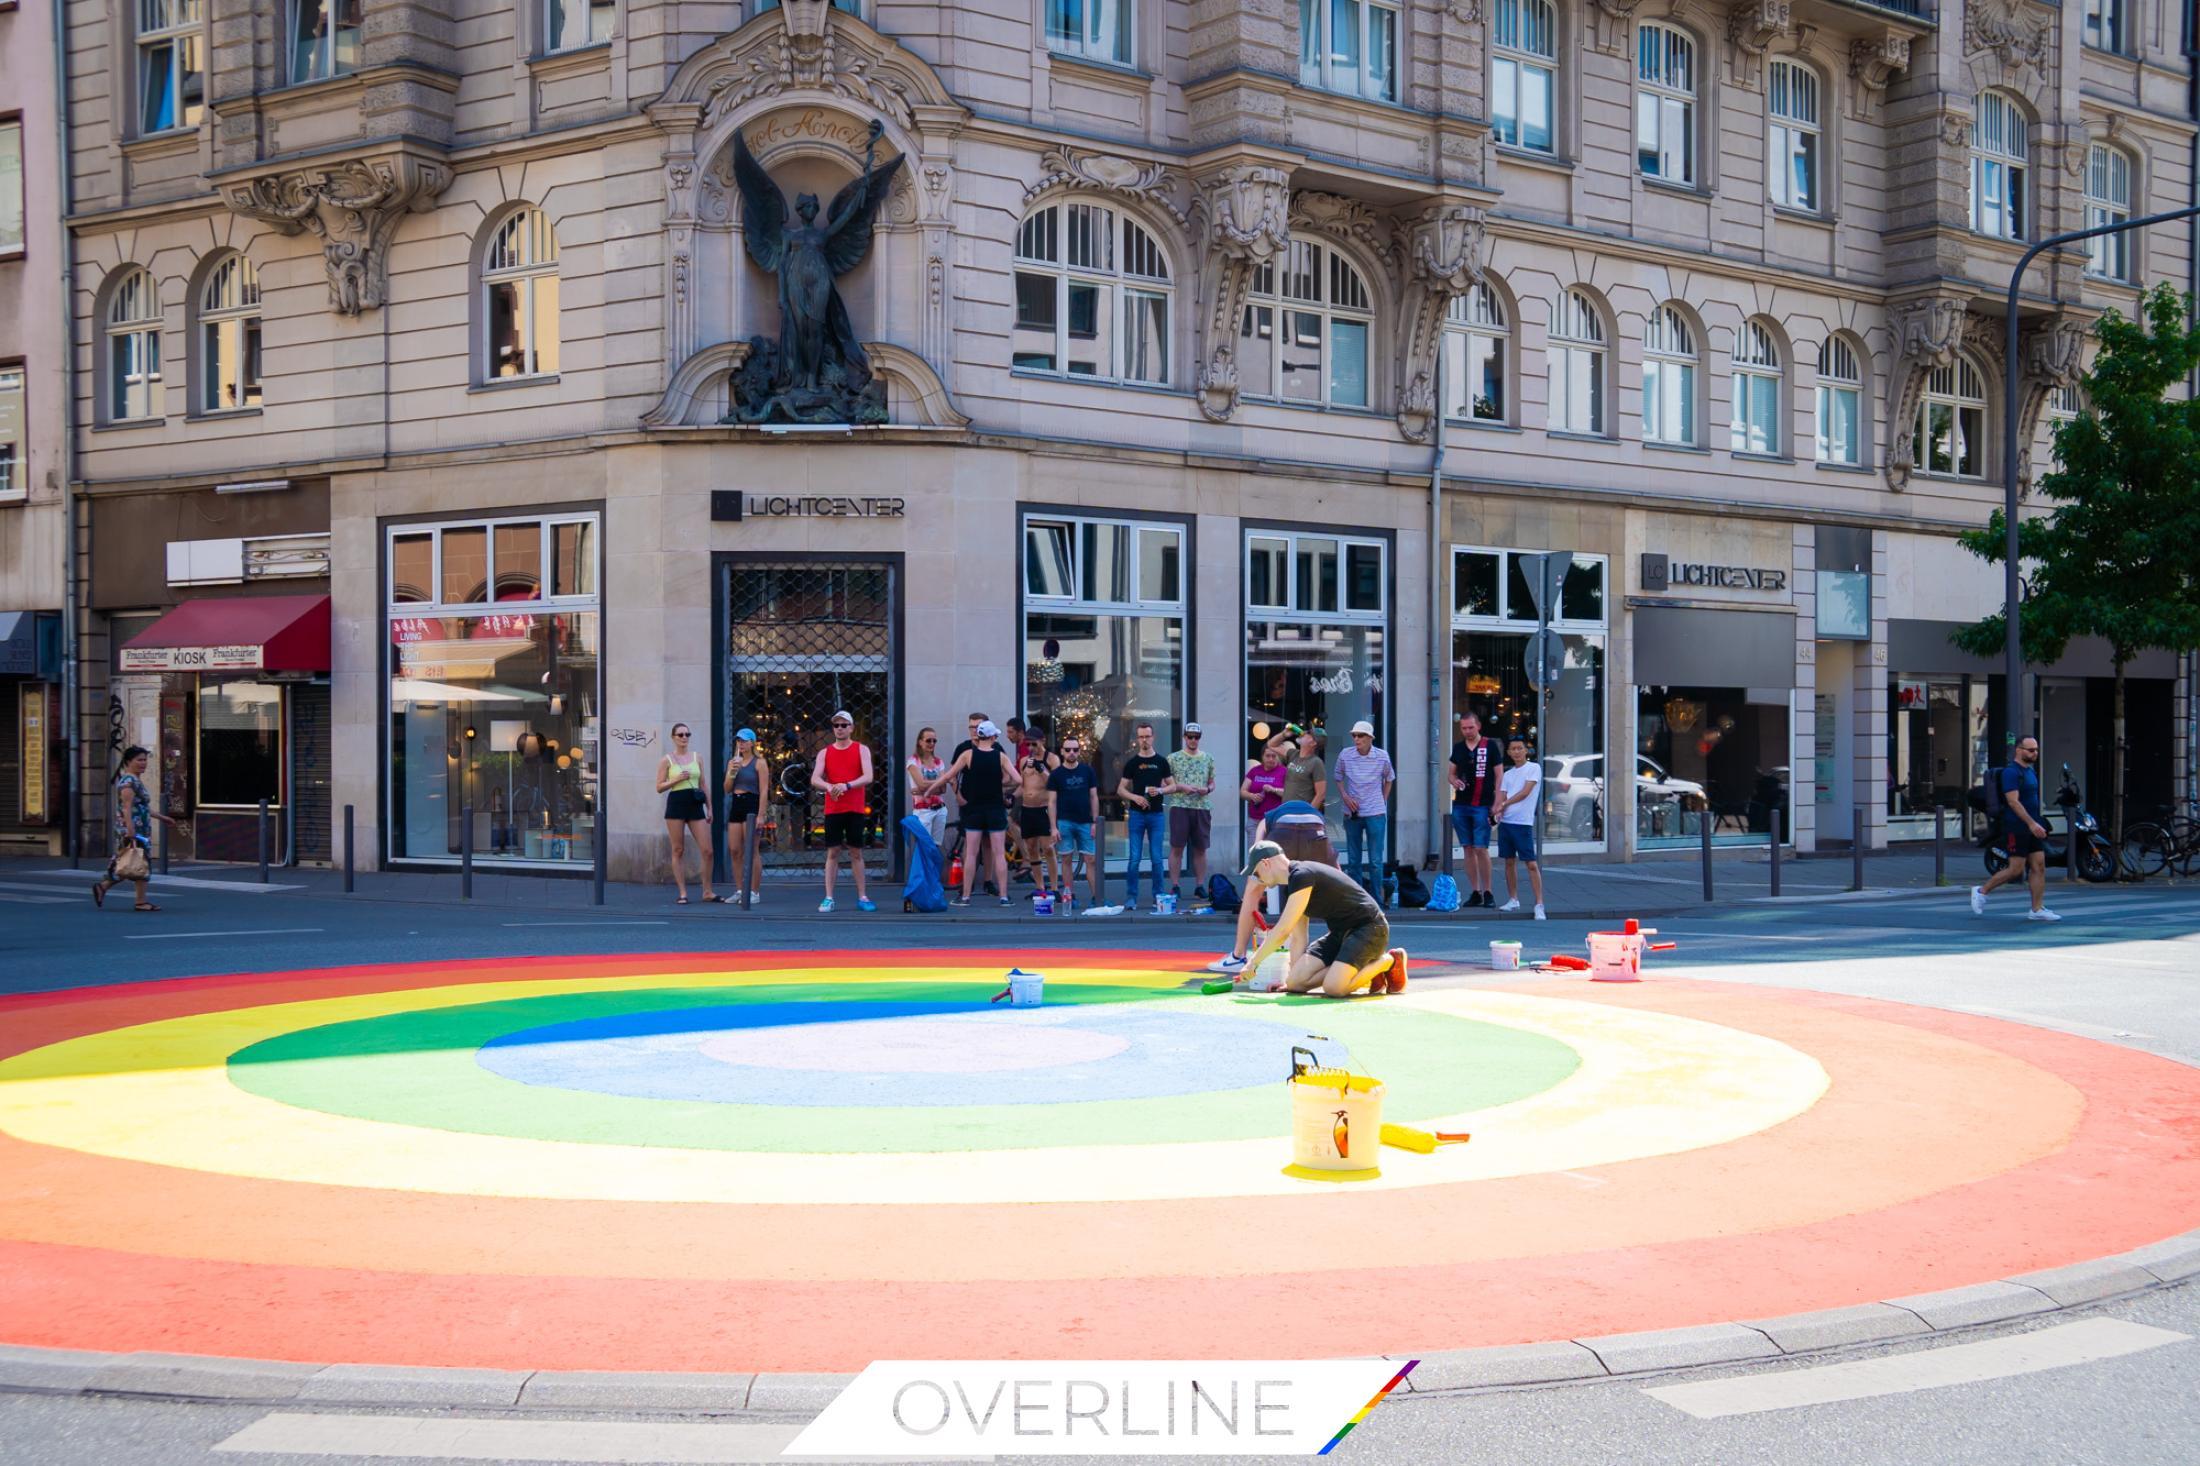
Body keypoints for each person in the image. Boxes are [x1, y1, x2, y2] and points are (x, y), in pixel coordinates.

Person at [1227, 840, 1406, 997]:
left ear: (1265, 864)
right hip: (1341, 934)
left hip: (1369, 929)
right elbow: (1298, 936)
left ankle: (1389, 961)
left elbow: (1283, 930)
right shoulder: (1293, 885)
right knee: (1296, 984)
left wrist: (1253, 963)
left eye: (1256, 873)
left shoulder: (1302, 875)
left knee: (1334, 988)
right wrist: (1292, 981)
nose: (1258, 880)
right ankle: (1357, 969)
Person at [928, 718, 1017, 906]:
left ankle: (966, 896)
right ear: (992, 736)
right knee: (999, 853)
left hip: (974, 809)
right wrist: (1000, 784)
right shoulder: (1000, 756)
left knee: (971, 854)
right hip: (995, 808)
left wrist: (930, 789)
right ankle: (1003, 896)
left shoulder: (968, 755)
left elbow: (948, 775)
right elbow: (1017, 779)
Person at [1972, 734, 2060, 921]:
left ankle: (2036, 910)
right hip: (2017, 827)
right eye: (2030, 750)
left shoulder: (2030, 772)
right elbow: (2013, 802)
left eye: (2036, 750)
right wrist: (2031, 823)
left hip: (2033, 825)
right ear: (2019, 750)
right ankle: (1981, 891)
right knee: (2016, 869)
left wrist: (2037, 821)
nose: (2035, 753)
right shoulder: (2011, 772)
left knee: (2039, 866)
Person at [91, 746, 183, 912]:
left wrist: (163, 818)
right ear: (128, 761)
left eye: (145, 759)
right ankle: (140, 902)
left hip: (139, 828)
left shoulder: (135, 780)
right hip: (132, 830)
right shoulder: (128, 782)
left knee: (131, 863)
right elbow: (127, 808)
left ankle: (103, 886)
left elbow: (141, 807)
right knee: (139, 862)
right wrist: (131, 832)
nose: (143, 763)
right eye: (139, 760)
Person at [811, 710, 876, 912]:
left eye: (843, 725)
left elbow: (868, 776)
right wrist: (829, 786)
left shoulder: (861, 749)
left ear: (851, 728)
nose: (839, 729)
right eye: (836, 725)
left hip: (854, 807)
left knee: (856, 851)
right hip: (834, 808)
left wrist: (846, 785)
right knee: (833, 851)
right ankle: (829, 897)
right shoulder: (825, 752)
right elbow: (815, 778)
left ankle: (862, 896)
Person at [656, 723, 722, 905]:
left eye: (687, 734)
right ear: (673, 737)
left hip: (695, 804)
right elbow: (659, 787)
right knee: (678, 849)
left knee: (708, 850)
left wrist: (710, 808)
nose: (684, 737)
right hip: (676, 803)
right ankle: (683, 892)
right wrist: (675, 779)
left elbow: (703, 784)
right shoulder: (666, 760)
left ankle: (707, 891)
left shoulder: (697, 757)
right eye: (680, 735)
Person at [1332, 720, 1396, 900]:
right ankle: (1358, 901)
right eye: (1354, 735)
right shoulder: (1345, 755)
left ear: (1370, 738)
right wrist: (1344, 795)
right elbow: (1337, 777)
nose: (1356, 739)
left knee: (1376, 861)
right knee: (1353, 860)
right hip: (1352, 812)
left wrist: (1382, 800)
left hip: (1375, 812)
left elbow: (1390, 778)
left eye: (1360, 735)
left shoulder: (1382, 756)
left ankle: (1376, 900)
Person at [1116, 721, 1173, 912]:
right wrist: (1135, 797)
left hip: (1156, 815)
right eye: (1141, 736)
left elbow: (1173, 786)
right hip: (1137, 814)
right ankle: (1131, 897)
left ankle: (1158, 895)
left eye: (1147, 736)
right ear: (1137, 739)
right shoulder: (1132, 763)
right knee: (1134, 858)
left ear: (1153, 737)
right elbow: (1121, 789)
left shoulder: (1161, 761)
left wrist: (1160, 790)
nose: (1144, 740)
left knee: (1157, 858)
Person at [1449, 711, 1500, 909]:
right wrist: (1455, 781)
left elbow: (1499, 775)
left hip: (1482, 803)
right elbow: (1450, 774)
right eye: (1464, 728)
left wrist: (1497, 802)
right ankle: (1476, 891)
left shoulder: (1490, 746)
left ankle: (1488, 892)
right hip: (1461, 803)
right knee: (1468, 848)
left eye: (1470, 727)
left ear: (1478, 726)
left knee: (1481, 848)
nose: (1467, 731)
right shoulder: (1459, 748)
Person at [1493, 736, 1547, 919]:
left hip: (1522, 823)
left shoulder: (1534, 768)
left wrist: (1504, 804)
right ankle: (1513, 899)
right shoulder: (1508, 775)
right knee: (1508, 862)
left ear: (1526, 750)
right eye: (1513, 749)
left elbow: (1525, 792)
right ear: (1508, 753)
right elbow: (1501, 795)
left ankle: (1539, 904)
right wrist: (1498, 811)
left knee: (1531, 864)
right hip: (1507, 823)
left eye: (1519, 748)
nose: (1516, 752)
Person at [1048, 733, 1102, 906]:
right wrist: (1053, 827)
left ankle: (1097, 897)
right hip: (1064, 822)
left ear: (1079, 751)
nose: (1072, 752)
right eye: (1068, 749)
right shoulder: (1056, 774)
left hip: (1086, 822)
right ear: (1062, 752)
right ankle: (1069, 897)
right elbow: (1052, 802)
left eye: (1075, 749)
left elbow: (1094, 797)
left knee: (1091, 860)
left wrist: (1095, 822)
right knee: (1066, 859)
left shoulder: (1088, 771)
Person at [1164, 723, 1216, 900]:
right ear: (1184, 737)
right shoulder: (1172, 758)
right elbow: (1165, 783)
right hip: (1179, 805)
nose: (1193, 740)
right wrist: (1180, 787)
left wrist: (1207, 790)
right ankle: (1175, 885)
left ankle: (1200, 885)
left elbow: (1212, 782)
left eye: (1196, 737)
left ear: (1200, 738)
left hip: (1201, 807)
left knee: (1201, 848)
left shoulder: (1208, 758)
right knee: (1177, 847)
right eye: (1190, 736)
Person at [722, 727, 769, 905]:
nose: (741, 744)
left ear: (751, 743)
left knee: (752, 849)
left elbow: (764, 790)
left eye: (744, 740)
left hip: (752, 802)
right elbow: (727, 789)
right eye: (739, 741)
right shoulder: (733, 762)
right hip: (737, 802)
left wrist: (761, 814)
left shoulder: (759, 762)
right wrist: (731, 772)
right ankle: (740, 889)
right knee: (735, 850)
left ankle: (754, 891)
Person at [1016, 753, 1062, 897]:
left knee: (1048, 848)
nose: (1031, 748)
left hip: (1043, 808)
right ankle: (1039, 887)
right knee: (1031, 848)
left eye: (1034, 744)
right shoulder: (1024, 761)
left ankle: (1054, 888)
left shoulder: (1051, 759)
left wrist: (1041, 769)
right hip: (1027, 809)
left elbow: (1055, 784)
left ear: (1041, 742)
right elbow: (1022, 786)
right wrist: (1012, 796)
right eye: (1029, 744)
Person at [906, 727, 948, 852]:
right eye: (928, 740)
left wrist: (924, 789)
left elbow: (943, 789)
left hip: (940, 809)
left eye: (934, 741)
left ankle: (933, 872)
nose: (932, 744)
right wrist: (942, 780)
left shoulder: (938, 761)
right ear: (920, 742)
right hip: (923, 810)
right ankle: (923, 872)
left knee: (936, 847)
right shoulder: (913, 761)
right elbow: (921, 784)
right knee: (923, 847)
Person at [1242, 739, 1288, 841]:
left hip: (1275, 821)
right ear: (1262, 757)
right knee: (1255, 853)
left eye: (1274, 756)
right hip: (1255, 821)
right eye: (1267, 756)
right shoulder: (1254, 771)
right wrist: (1252, 796)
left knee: (1272, 854)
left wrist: (1274, 790)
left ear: (1278, 757)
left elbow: (1289, 794)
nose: (1271, 759)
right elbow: (1242, 792)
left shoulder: (1284, 771)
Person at [1280, 729, 1327, 809]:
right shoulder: (1293, 754)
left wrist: (1308, 813)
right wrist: (1283, 734)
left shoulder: (1316, 762)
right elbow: (1271, 745)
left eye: (1308, 733)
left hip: (1301, 813)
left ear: (1313, 743)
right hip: (1286, 809)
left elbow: (1321, 793)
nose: (1304, 733)